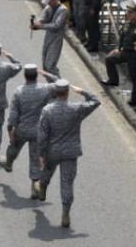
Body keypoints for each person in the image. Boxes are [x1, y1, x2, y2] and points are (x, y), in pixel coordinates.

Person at [36, 79, 102, 227]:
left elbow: (42, 135)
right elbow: (96, 101)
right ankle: (65, 213)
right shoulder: (76, 108)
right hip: (70, 152)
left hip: (52, 151)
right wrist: (83, 91)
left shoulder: (47, 110)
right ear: (67, 93)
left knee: (46, 172)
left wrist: (41, 153)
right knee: (67, 183)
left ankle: (42, 188)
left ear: (55, 93)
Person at [2, 64, 53, 197]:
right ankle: (34, 186)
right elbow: (59, 83)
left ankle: (8, 163)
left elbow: (13, 114)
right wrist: (47, 75)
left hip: (22, 129)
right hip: (39, 131)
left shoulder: (19, 91)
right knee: (35, 159)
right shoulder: (45, 89)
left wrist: (10, 129)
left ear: (25, 76)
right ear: (36, 75)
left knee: (13, 147)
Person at [103, 2, 136, 88]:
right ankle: (113, 80)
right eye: (127, 12)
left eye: (130, 12)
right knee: (109, 59)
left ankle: (135, 98)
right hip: (124, 51)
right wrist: (118, 48)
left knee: (134, 77)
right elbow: (122, 38)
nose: (128, 14)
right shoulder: (127, 24)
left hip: (134, 54)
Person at [31, 0, 68, 75]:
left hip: (56, 38)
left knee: (50, 65)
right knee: (44, 63)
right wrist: (36, 24)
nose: (48, 4)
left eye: (49, 2)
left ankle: (59, 84)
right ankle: (51, 85)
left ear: (54, 0)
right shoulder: (49, 7)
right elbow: (43, 18)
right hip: (48, 36)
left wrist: (41, 26)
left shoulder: (63, 10)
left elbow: (57, 25)